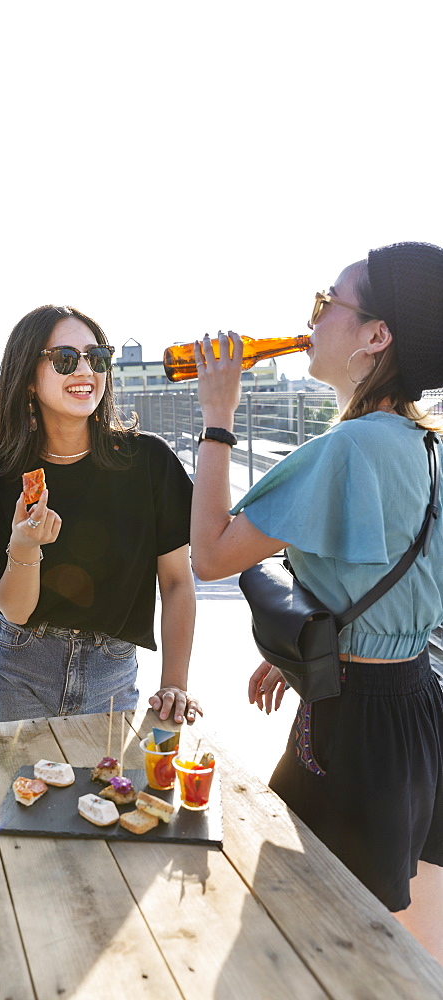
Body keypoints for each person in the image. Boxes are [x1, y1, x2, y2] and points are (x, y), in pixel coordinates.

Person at [190, 242, 443, 962]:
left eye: (325, 302)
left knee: (305, 949)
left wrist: (217, 414)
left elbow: (209, 553)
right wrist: (317, 653)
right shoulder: (426, 447)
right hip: (420, 708)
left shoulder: (349, 450)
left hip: (354, 729)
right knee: (416, 948)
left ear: (375, 335)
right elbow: (400, 586)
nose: (312, 318)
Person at [0, 304, 200, 726]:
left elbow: (178, 581)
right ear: (29, 379)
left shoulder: (150, 461)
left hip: (113, 667)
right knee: (21, 791)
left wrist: (174, 682)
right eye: (66, 359)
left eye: (97, 357)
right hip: (20, 667)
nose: (85, 370)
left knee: (106, 792)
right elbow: (14, 610)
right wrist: (25, 546)